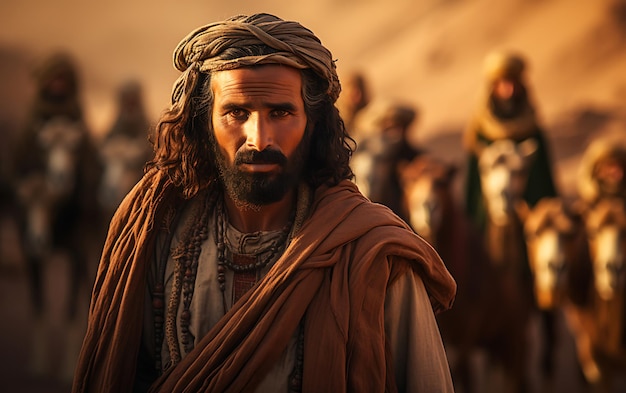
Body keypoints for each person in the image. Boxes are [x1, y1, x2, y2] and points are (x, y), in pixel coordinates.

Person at [72, 13, 456, 393]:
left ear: (313, 123)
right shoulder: (153, 232)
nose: (259, 139)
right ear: (204, 123)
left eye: (281, 112)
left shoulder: (373, 254)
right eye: (236, 113)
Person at [462, 50, 558, 231]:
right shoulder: (480, 130)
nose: (510, 90)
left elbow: (544, 179)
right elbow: (473, 183)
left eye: (514, 83)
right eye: (504, 84)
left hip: (530, 218)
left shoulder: (532, 128)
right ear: (493, 87)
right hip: (490, 216)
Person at [350, 98, 422, 222]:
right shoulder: (365, 159)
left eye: (399, 127)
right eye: (389, 128)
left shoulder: (409, 154)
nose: (395, 133)